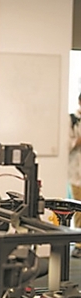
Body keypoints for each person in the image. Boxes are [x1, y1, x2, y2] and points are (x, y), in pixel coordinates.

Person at [70, 93, 81, 257]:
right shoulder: (71, 120)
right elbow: (66, 144)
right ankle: (79, 244)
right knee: (79, 208)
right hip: (77, 173)